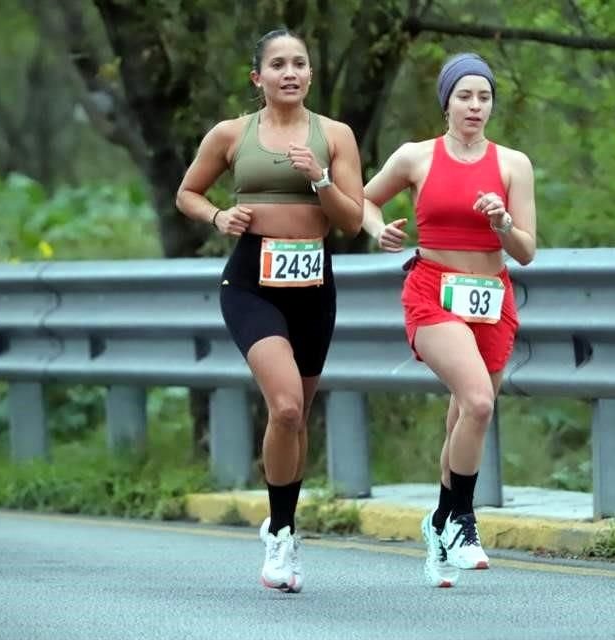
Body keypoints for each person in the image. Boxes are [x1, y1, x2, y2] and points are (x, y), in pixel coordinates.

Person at [175, 28, 363, 593]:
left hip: (313, 283)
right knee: (284, 409)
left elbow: (352, 220)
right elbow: (188, 192)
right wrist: (217, 218)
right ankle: (281, 535)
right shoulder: (233, 134)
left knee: (299, 417)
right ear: (258, 77)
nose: (290, 72)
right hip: (250, 281)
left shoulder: (335, 136)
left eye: (299, 64)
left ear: (309, 75)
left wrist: (319, 178)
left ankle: (283, 520)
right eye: (277, 64)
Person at [362, 52, 537, 588]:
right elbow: (363, 200)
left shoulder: (513, 164)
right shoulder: (417, 157)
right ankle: (461, 521)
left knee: (466, 409)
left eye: (484, 97)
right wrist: (377, 230)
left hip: (491, 296)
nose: (475, 106)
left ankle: (438, 522)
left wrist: (503, 222)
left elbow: (526, 250)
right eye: (465, 95)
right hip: (432, 293)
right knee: (480, 400)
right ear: (447, 102)